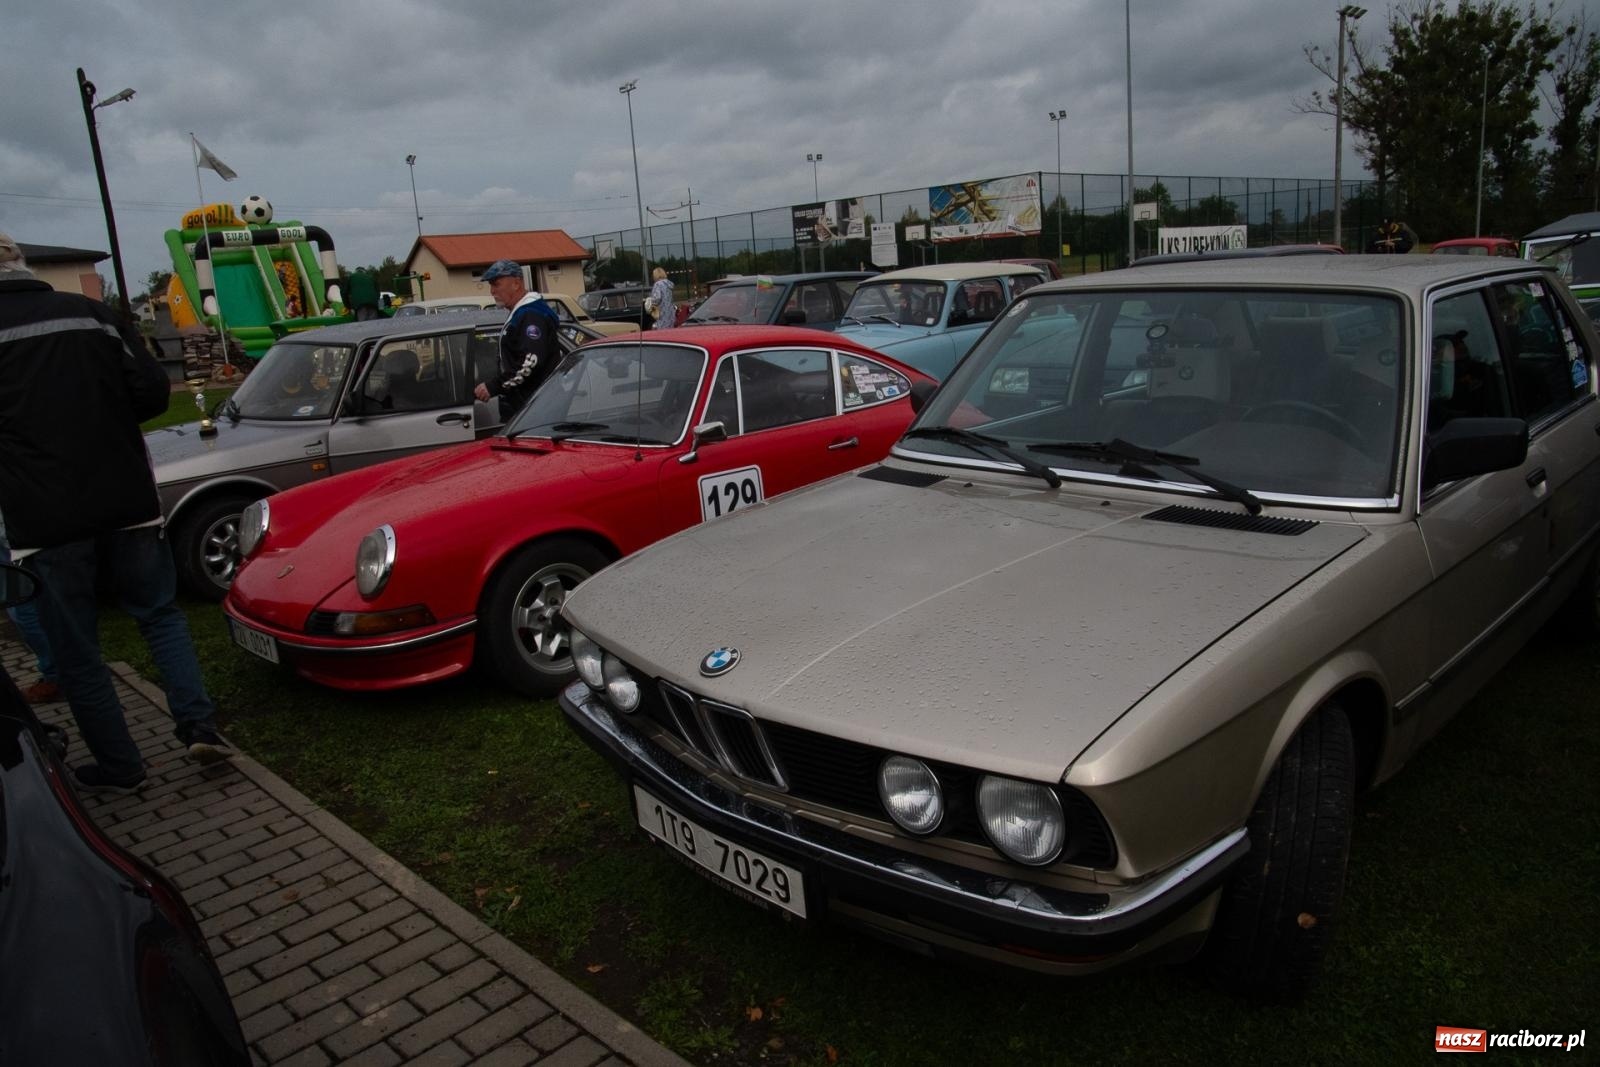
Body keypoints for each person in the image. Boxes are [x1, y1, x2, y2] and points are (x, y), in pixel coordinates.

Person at [0, 232, 231, 794]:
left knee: (77, 651)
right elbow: (151, 392)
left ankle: (122, 769)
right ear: (25, 265)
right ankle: (200, 726)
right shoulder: (92, 315)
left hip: (44, 517)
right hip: (127, 499)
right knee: (160, 616)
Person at [473, 259, 561, 420]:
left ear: (516, 283)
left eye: (496, 284)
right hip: (528, 406)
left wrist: (493, 386)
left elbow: (530, 362)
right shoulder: (521, 313)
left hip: (536, 409)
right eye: (491, 285)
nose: (492, 291)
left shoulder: (531, 315)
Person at [0, 508, 59, 703]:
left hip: (13, 535)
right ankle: (58, 673)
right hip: (14, 534)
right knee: (21, 609)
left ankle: (57, 677)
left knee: (25, 610)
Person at [648, 267, 676, 331]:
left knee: (661, 331)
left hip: (662, 313)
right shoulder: (669, 284)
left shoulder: (658, 284)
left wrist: (650, 300)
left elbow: (657, 298)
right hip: (670, 313)